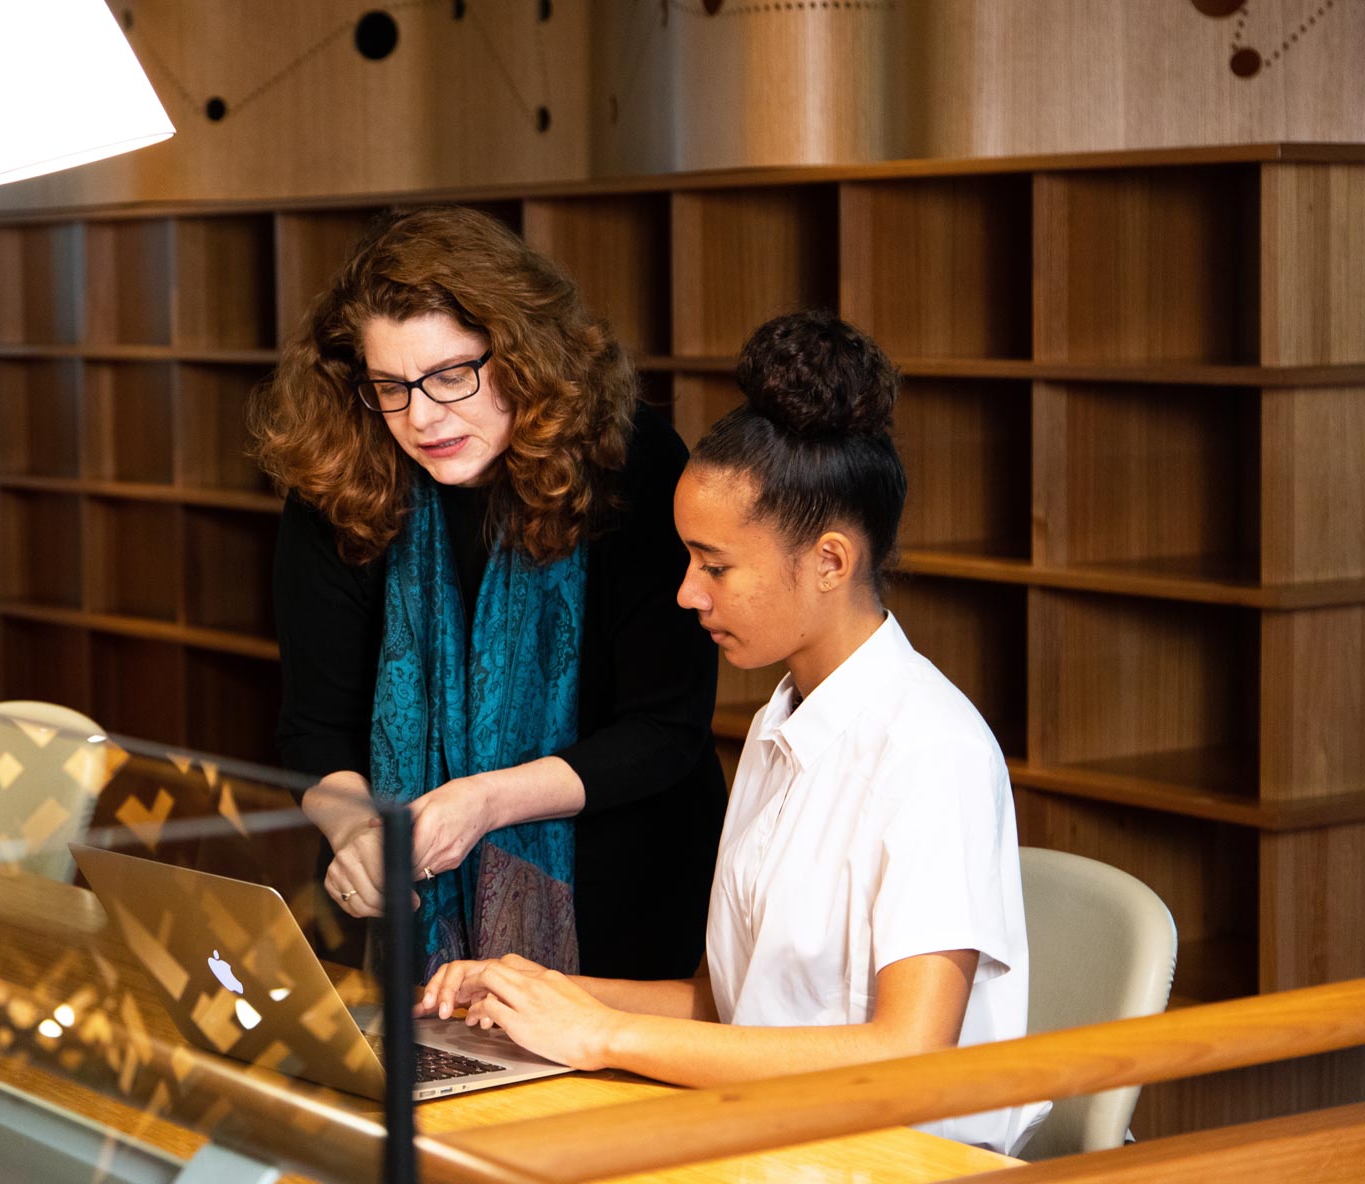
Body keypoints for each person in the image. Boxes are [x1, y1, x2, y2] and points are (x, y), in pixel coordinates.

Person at [415, 311, 1047, 1155]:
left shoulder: (933, 752)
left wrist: (602, 1037)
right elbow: (728, 1007)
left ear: (829, 562)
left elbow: (909, 1056)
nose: (686, 593)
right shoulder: (780, 723)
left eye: (715, 566)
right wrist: (543, 996)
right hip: (779, 1141)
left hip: (907, 1161)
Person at [249, 204, 724, 983]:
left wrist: (486, 802)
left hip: (626, 903)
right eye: (390, 387)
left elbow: (666, 728)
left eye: (450, 376)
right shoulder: (336, 476)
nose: (422, 417)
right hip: (418, 926)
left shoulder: (627, 462)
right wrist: (354, 831)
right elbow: (314, 731)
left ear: (522, 354)